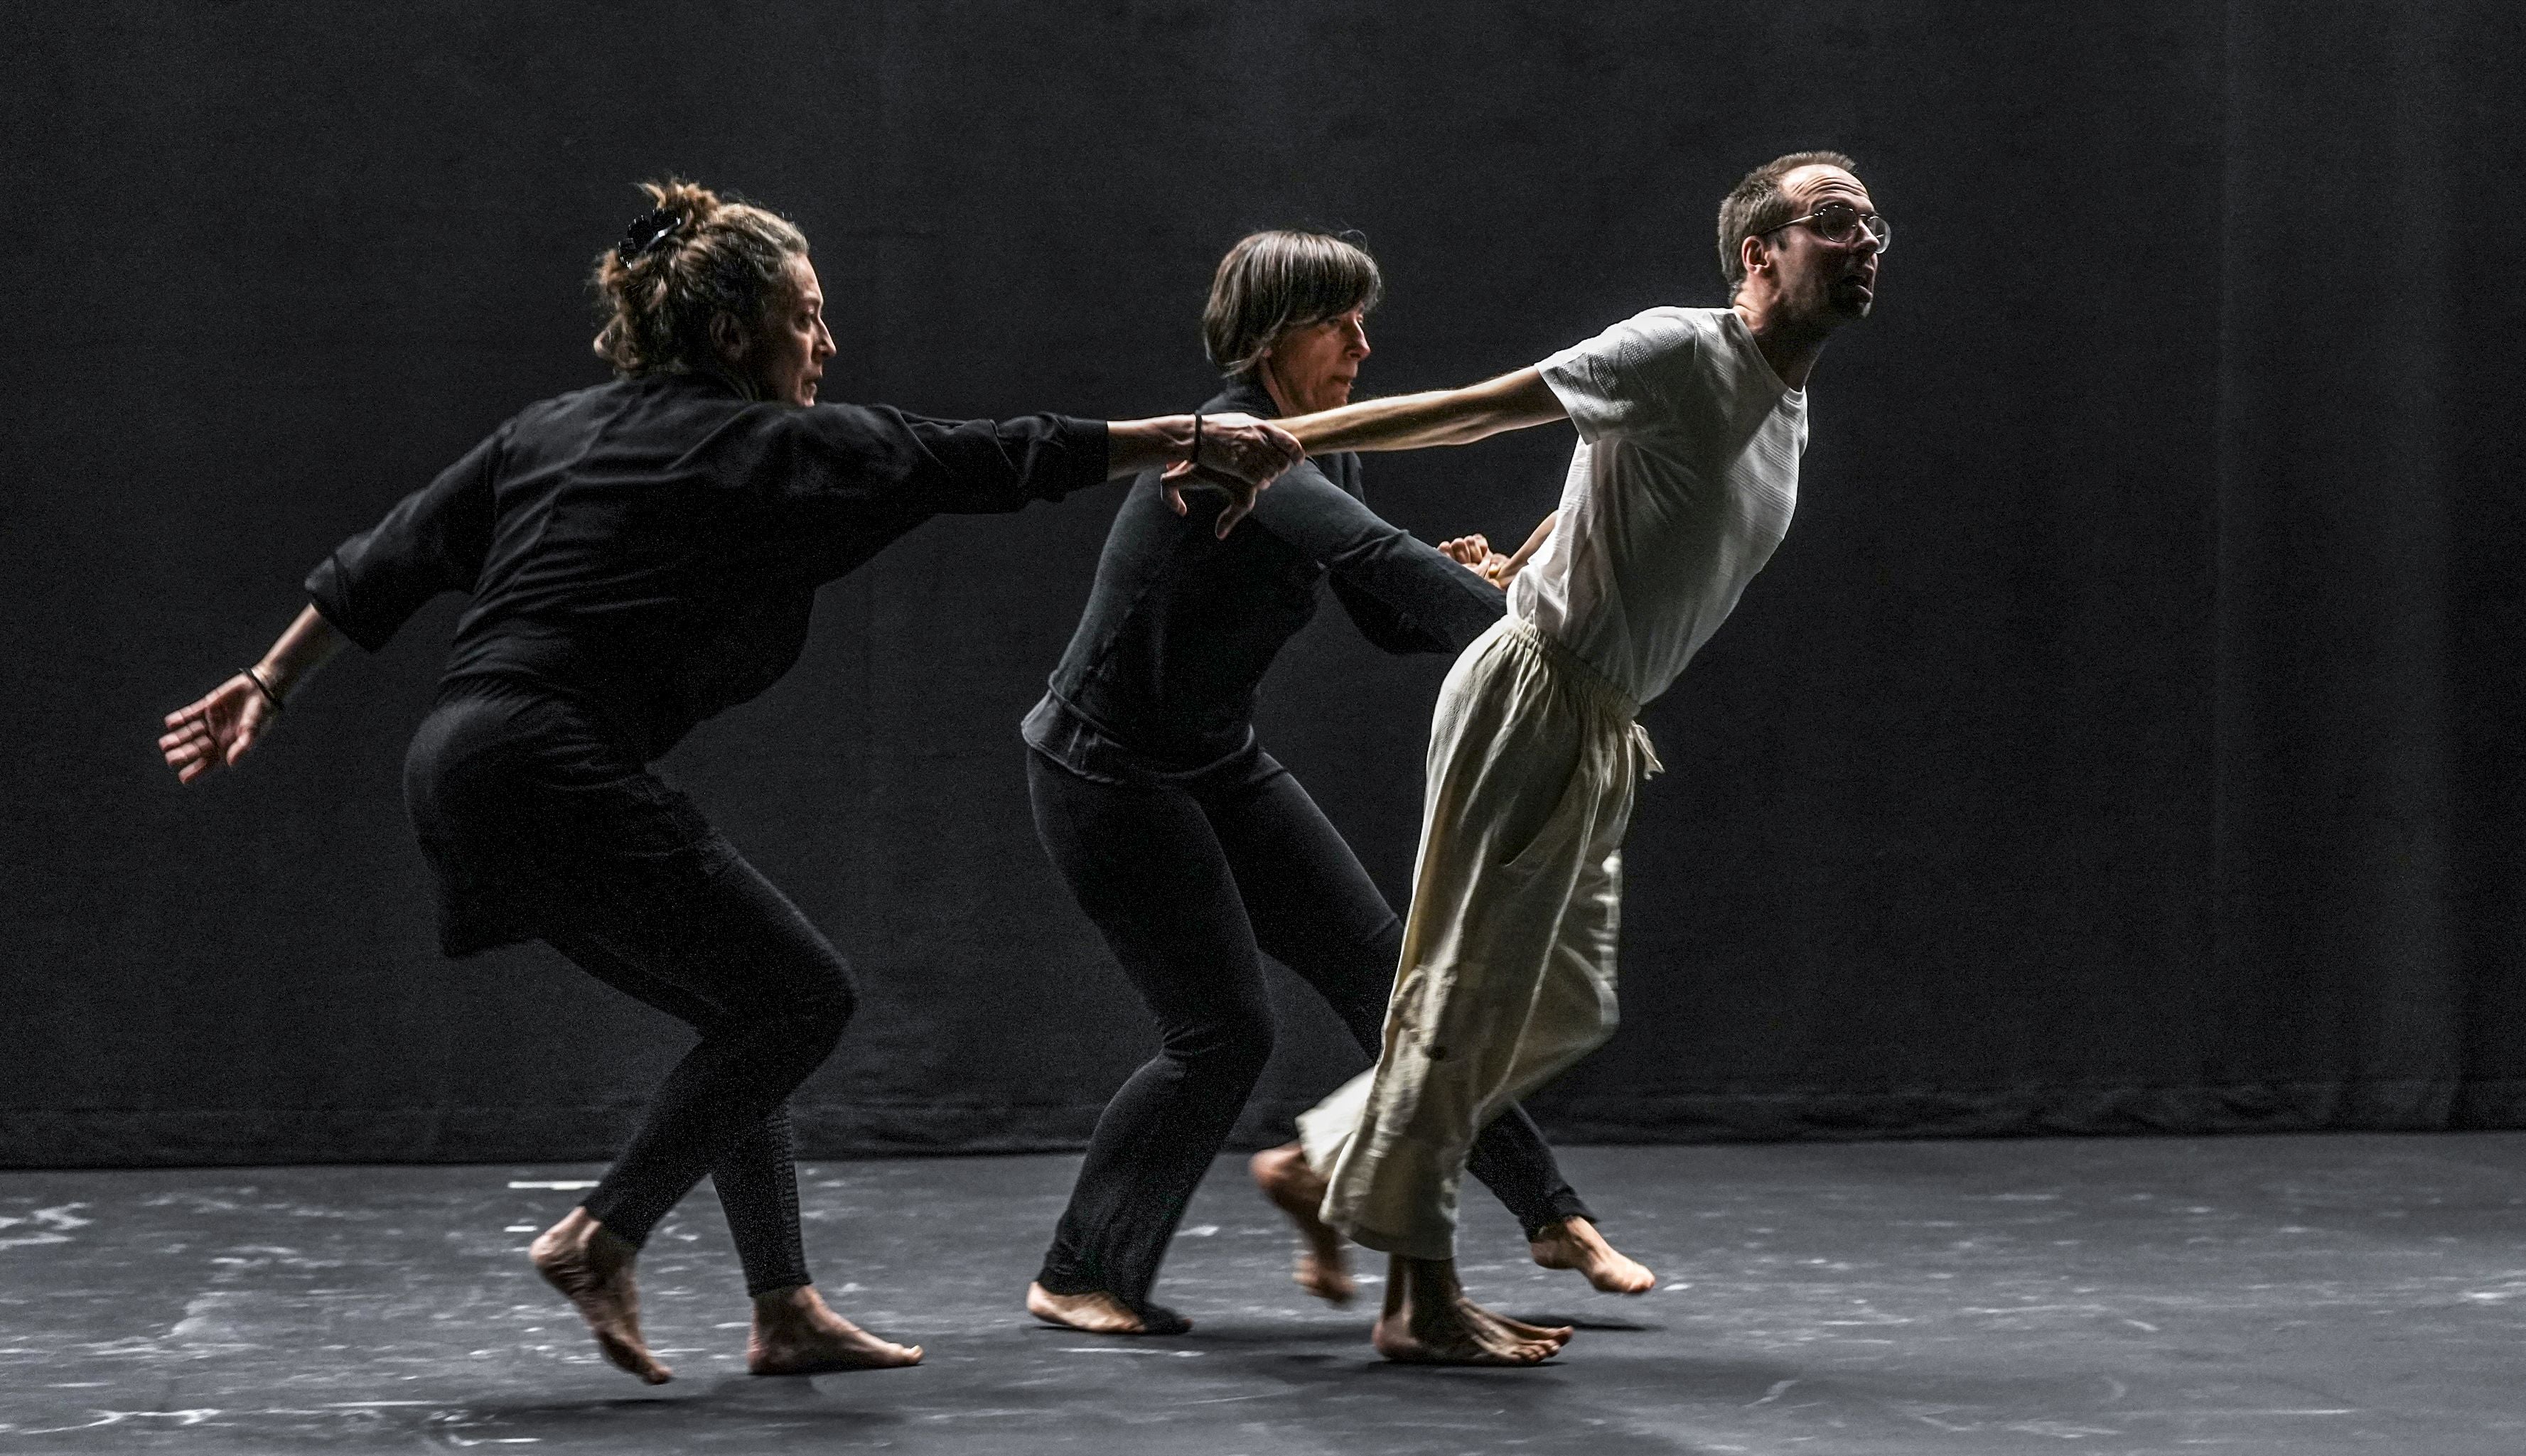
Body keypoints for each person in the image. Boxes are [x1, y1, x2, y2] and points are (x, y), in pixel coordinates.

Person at [155, 180, 1298, 1386]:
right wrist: (1191, 435)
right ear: (729, 333)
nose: (826, 342)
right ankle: (603, 1234)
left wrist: (267, 684)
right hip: (546, 761)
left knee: (743, 1010)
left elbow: (387, 560)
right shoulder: (768, 445)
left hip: (454, 766)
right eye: (806, 317)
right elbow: (992, 456)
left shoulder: (552, 428)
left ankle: (783, 1308)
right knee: (802, 1001)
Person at [1225, 153, 1886, 1364]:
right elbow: (1483, 404)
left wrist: (1520, 560)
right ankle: (1415, 1302)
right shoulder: (1677, 348)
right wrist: (1287, 441)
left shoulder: (1782, 399)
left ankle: (1321, 1164)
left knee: (1561, 1001)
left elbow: (1615, 486)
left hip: (1599, 719)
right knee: (1458, 991)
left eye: (1871, 223)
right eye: (1836, 221)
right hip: (1534, 695)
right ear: (1760, 253)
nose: (1867, 240)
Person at [1019, 230, 1656, 1342]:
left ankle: (1550, 1215)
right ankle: (1079, 1270)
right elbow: (1369, 559)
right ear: (1272, 337)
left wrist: (1476, 584)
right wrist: (1544, 641)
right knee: (1221, 1032)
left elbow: (1380, 608)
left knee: (1391, 980)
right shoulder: (1233, 447)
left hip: (1215, 761)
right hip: (1106, 773)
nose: (1362, 342)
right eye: (1337, 322)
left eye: (1364, 319)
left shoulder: (1324, 451)